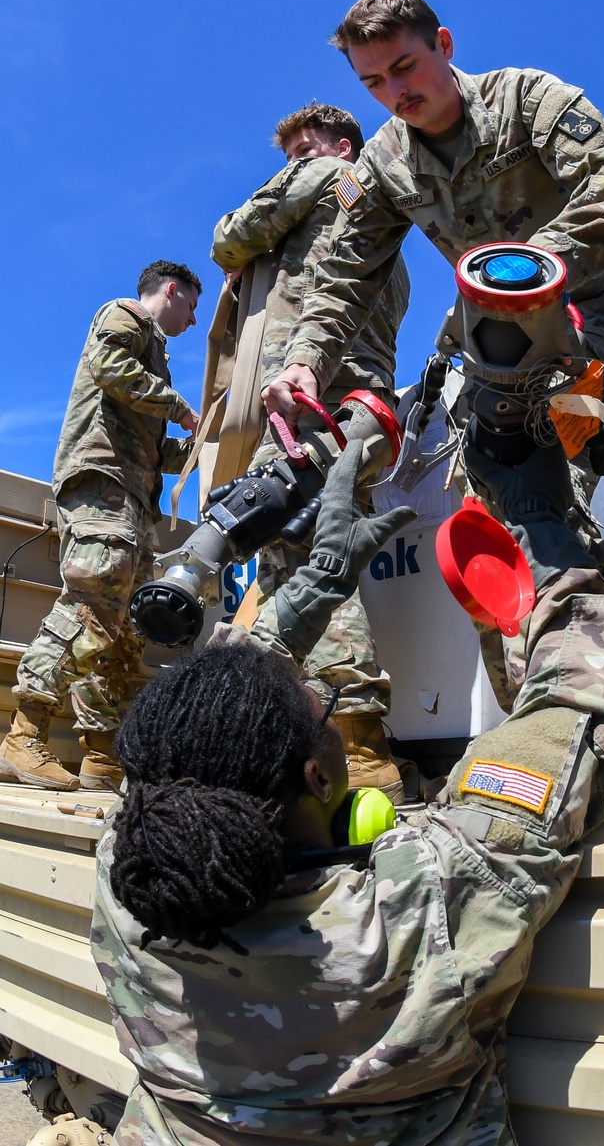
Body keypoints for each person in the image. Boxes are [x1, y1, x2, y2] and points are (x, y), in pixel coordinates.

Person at [91, 435, 604, 1146]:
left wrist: (318, 582)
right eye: (321, 702)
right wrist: (538, 512)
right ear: (321, 777)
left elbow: (184, 734)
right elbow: (578, 702)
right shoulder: (427, 902)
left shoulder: (127, 886)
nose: (321, 692)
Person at [263, 0, 604, 495]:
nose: (394, 91)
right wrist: (304, 362)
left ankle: (566, 559)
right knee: (489, 490)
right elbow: (346, 275)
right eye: (374, 82)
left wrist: (528, 268)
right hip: (493, 335)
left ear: (443, 44)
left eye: (404, 66)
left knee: (548, 474)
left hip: (597, 310)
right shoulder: (383, 163)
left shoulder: (525, 99)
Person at [211, 102, 411, 801]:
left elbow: (229, 238)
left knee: (302, 551)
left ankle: (358, 740)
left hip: (309, 398)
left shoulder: (325, 176)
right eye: (292, 149)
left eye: (306, 145)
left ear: (341, 146)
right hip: (364, 409)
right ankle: (336, 733)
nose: (295, 157)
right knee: (317, 549)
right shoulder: (387, 237)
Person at [0, 261, 201, 792]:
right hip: (102, 488)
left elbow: (147, 444)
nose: (195, 321)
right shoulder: (125, 316)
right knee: (89, 610)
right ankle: (23, 735)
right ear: (170, 291)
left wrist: (194, 448)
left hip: (129, 498)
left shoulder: (153, 360)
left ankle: (101, 756)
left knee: (125, 631)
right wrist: (178, 406)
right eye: (192, 306)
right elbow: (109, 367)